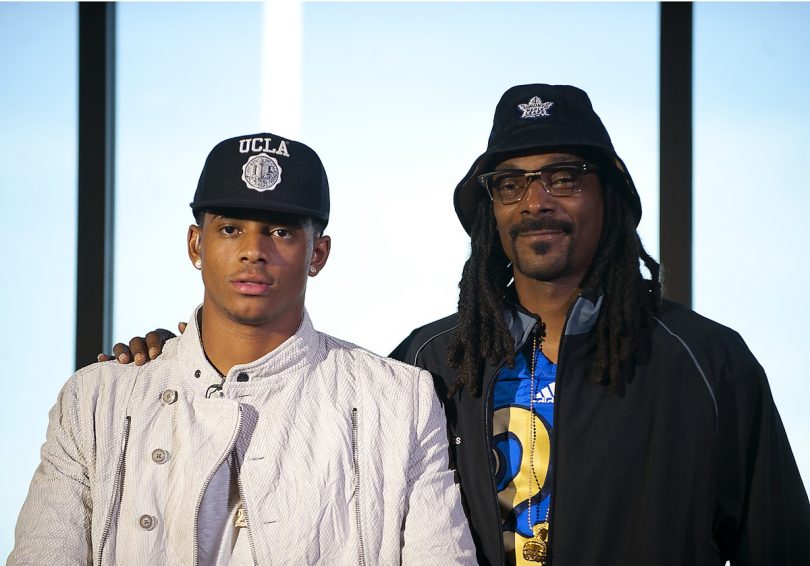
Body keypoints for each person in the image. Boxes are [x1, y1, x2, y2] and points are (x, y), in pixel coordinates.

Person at [100, 85, 810, 566]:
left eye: (563, 178)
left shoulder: (709, 365)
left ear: (610, 196)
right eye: (512, 183)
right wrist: (183, 365)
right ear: (489, 211)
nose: (537, 201)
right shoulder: (430, 362)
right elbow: (301, 414)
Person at [8, 132, 475, 565]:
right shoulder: (97, 400)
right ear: (196, 244)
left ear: (318, 254)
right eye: (231, 229)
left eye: (281, 231)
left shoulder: (397, 400)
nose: (254, 250)